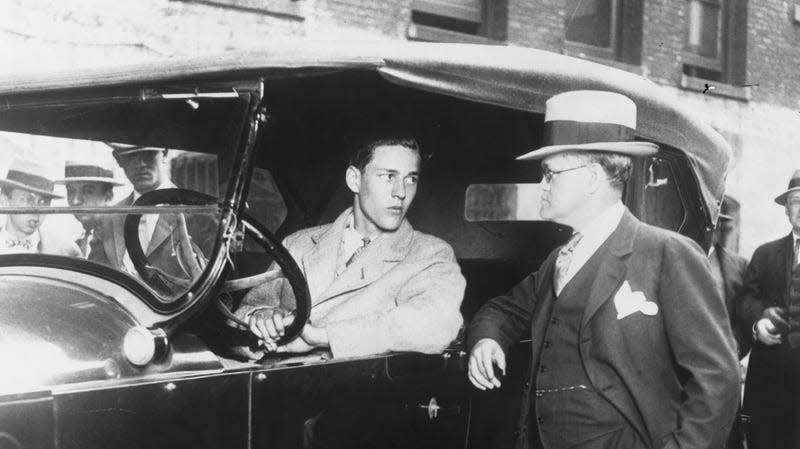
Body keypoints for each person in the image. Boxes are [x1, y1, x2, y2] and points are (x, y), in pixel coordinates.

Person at [467, 90, 739, 449]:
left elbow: (718, 378)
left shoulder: (667, 254)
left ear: (593, 178)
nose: (542, 185)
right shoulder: (558, 260)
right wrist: (486, 340)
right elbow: (501, 310)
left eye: (550, 173)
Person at [234, 134, 465, 359]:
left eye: (411, 178)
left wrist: (323, 337)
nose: (401, 192)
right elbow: (241, 316)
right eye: (388, 176)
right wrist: (260, 319)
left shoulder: (431, 254)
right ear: (354, 179)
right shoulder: (297, 244)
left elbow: (435, 324)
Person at [737, 169, 800, 449]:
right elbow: (746, 299)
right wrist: (757, 323)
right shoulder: (765, 254)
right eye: (796, 201)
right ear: (787, 210)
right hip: (769, 384)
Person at [93, 143, 212, 292]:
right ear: (118, 160)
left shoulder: (200, 214)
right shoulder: (107, 219)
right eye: (130, 156)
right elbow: (94, 281)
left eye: (148, 154)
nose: (140, 164)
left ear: (164, 152)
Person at [0, 158, 81, 257]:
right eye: (27, 199)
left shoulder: (67, 252)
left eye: (43, 202)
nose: (36, 210)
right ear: (4, 200)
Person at [59, 160, 123, 259]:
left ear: (108, 196)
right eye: (71, 191)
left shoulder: (119, 240)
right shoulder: (75, 244)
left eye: (88, 192)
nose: (76, 201)